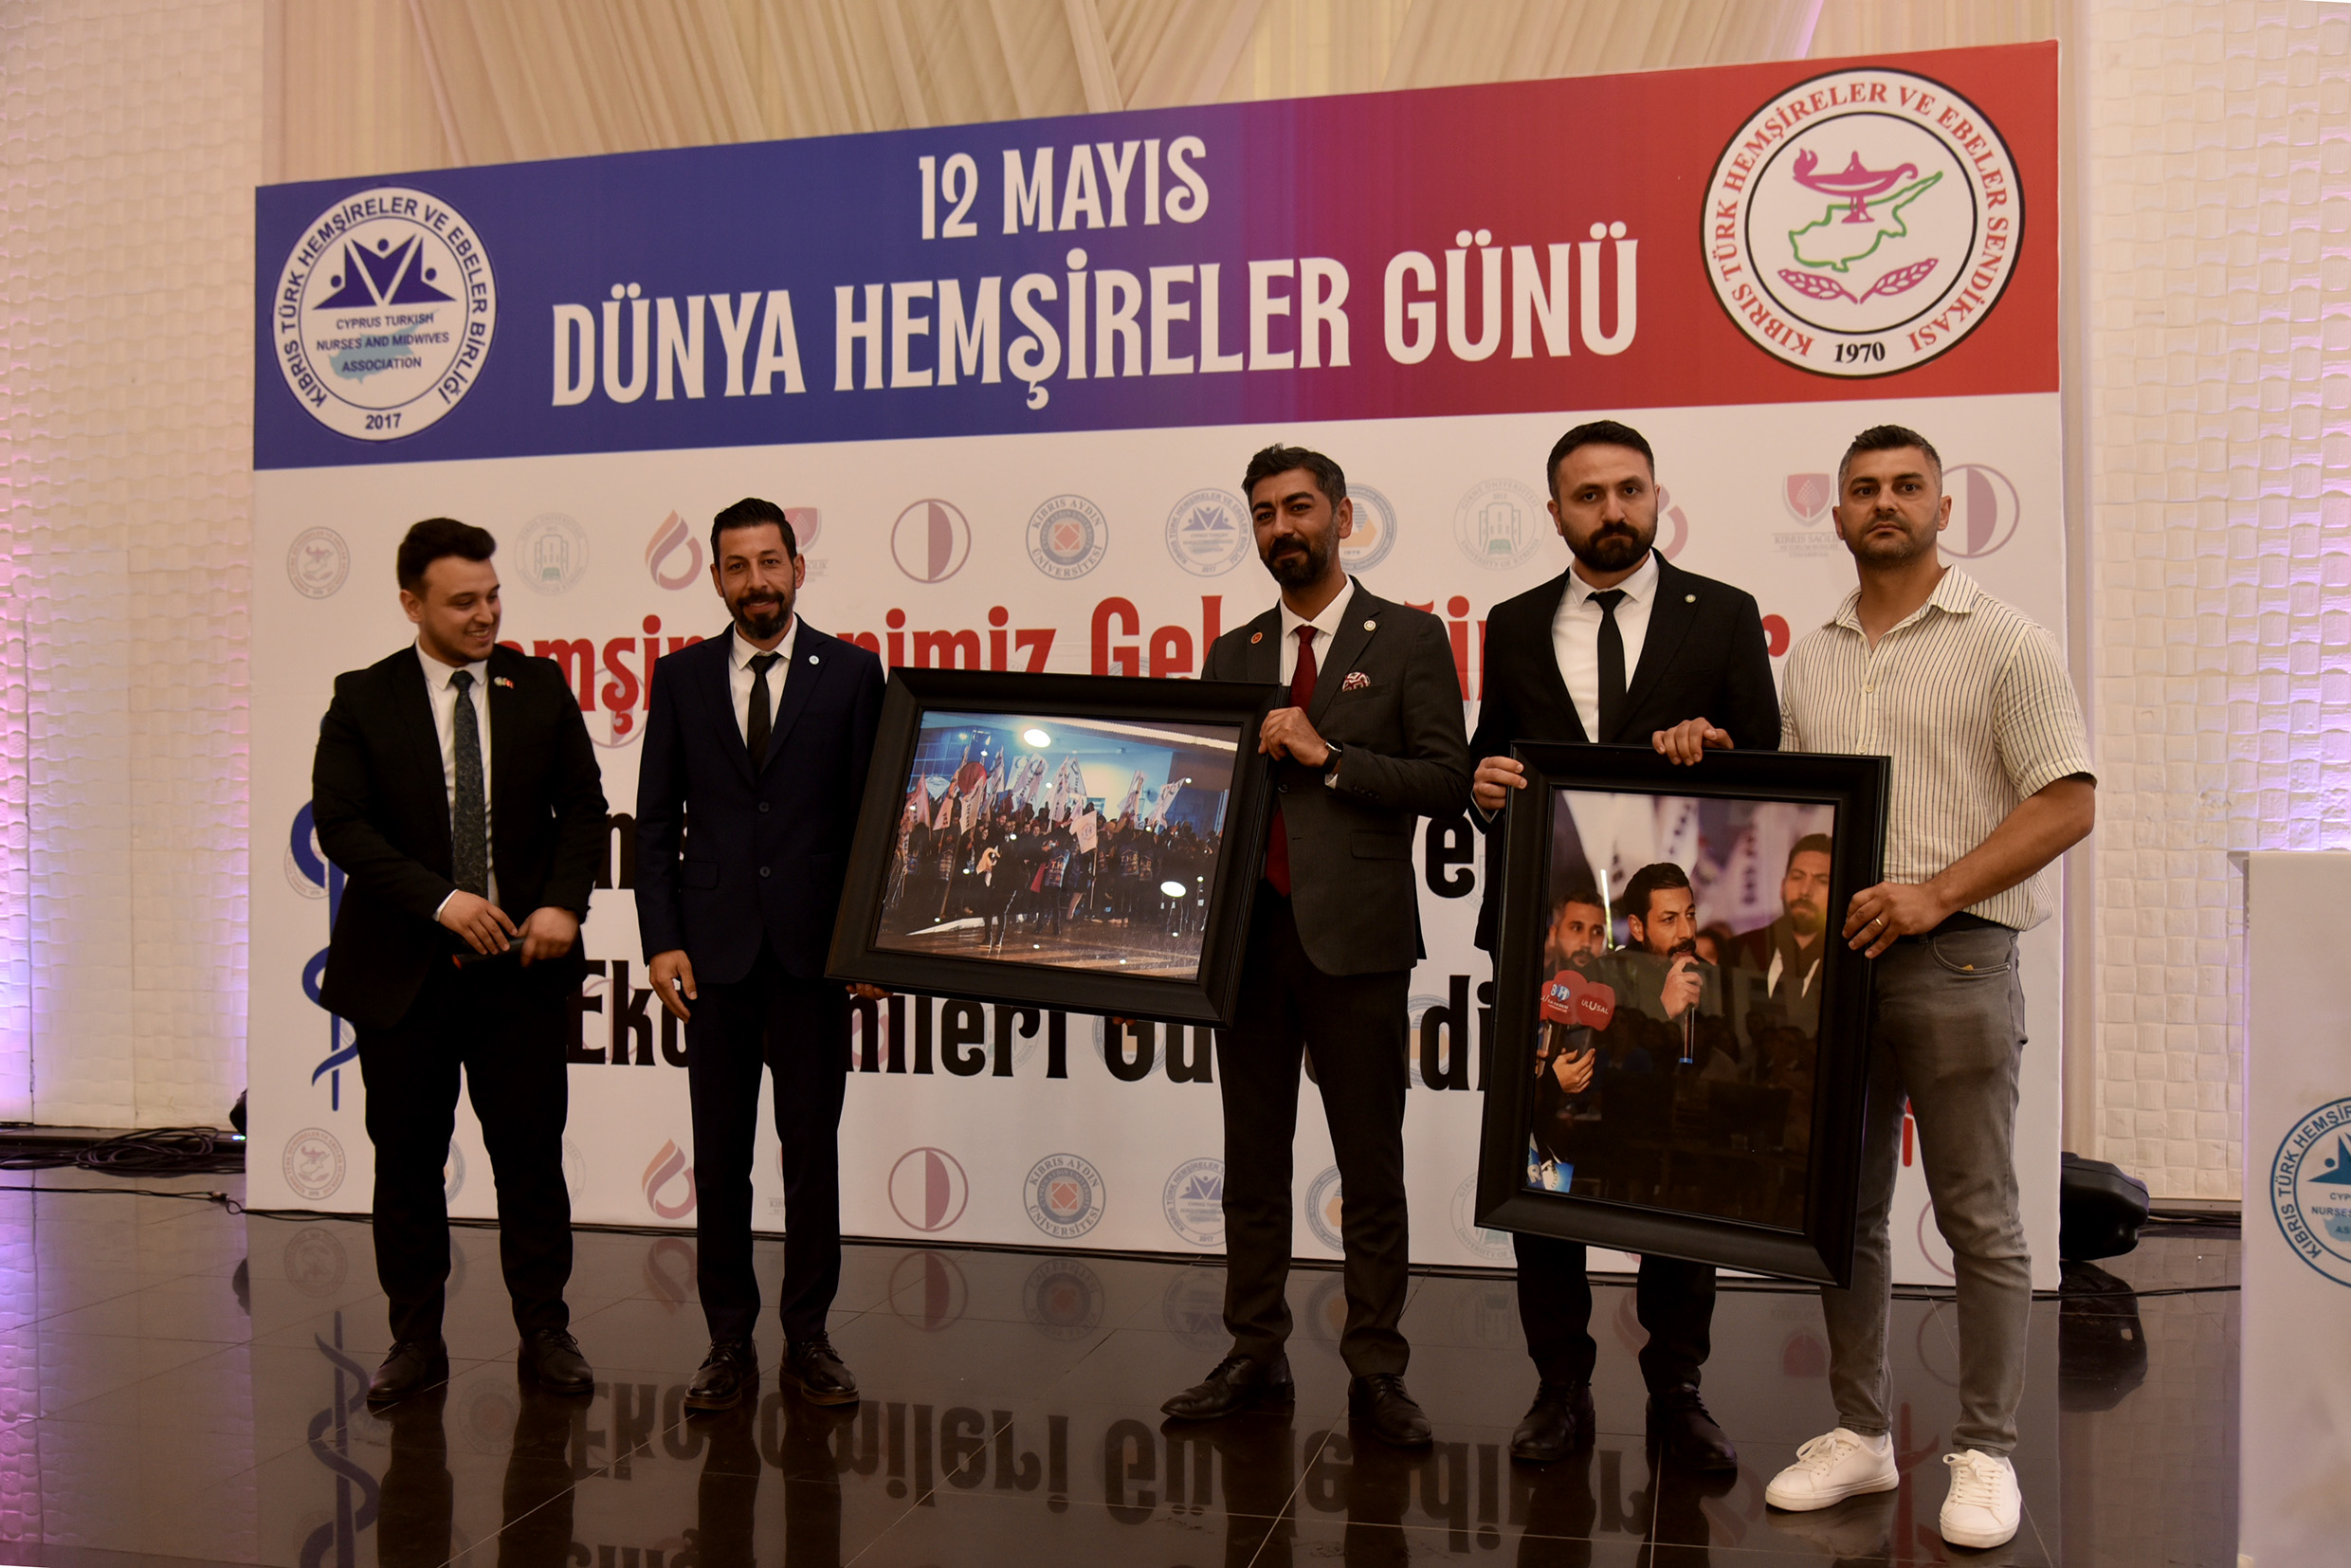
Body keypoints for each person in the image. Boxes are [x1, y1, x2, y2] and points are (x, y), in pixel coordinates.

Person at [1761, 426, 2093, 1552]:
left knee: (1977, 1217)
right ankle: (1860, 1433)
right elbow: (1799, 814)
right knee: (1844, 1212)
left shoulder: (2005, 641)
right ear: (1837, 515)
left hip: (1955, 958)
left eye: (1906, 486)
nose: (1884, 502)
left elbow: (2066, 800)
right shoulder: (1808, 656)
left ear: (1943, 509)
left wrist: (1933, 892)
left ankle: (1986, 1449)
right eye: (1863, 489)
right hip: (1837, 970)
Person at [1468, 418, 1778, 1472]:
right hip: (1547, 941)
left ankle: (1677, 1390)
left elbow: (1768, 768)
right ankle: (1558, 1386)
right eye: (1588, 494)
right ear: (1555, 511)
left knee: (1672, 1155)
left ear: (1657, 496)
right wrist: (1482, 785)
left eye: (1629, 489)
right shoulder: (1513, 623)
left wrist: (1719, 751)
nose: (1612, 510)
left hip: (1663, 946)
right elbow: (1491, 766)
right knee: (1544, 1157)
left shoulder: (1723, 614)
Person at [1161, 443, 1471, 1448]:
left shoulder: (1410, 637)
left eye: (1298, 507)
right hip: (1246, 946)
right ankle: (1254, 1352)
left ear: (1342, 516)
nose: (1281, 527)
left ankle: (1377, 1369)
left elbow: (1446, 782)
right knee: (1250, 1166)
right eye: (1263, 513)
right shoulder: (1234, 651)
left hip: (1358, 944)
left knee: (1369, 1168)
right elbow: (1210, 797)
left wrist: (1328, 754)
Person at [310, 517, 608, 1406]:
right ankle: (415, 1341)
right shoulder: (363, 698)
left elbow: (583, 808)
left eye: (493, 596)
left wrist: (562, 903)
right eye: (462, 602)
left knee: (531, 1161)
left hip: (519, 975)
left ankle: (546, 1332)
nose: (485, 615)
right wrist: (442, 901)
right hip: (405, 978)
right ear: (413, 604)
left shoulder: (537, 685)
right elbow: (342, 826)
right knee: (407, 1164)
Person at [636, 497, 887, 1413]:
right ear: (715, 578)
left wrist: (866, 940)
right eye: (737, 567)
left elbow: (872, 820)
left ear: (797, 568)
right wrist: (661, 939)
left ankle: (809, 1336)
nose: (757, 582)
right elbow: (655, 822)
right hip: (713, 959)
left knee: (810, 1152)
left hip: (816, 959)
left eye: (770, 562)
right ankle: (727, 1340)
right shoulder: (681, 677)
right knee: (720, 1157)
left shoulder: (853, 673)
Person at [1728, 834, 1835, 1037]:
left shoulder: (1845, 962)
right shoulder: (1739, 949)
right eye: (1797, 877)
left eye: (1822, 881)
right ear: (1782, 886)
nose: (1805, 891)